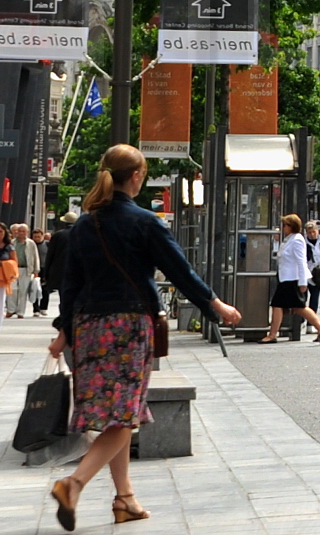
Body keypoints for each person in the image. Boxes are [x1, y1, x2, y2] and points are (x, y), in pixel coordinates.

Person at [47, 145, 241, 531]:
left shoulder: (85, 224)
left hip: (88, 328)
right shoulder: (145, 222)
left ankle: (125, 499)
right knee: (125, 414)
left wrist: (64, 330)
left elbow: (71, 284)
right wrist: (216, 306)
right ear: (136, 176)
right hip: (128, 325)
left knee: (114, 417)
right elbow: (180, 271)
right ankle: (74, 484)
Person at [261, 215, 320, 343]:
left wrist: (303, 282)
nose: (283, 228)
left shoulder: (297, 240)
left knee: (280, 305)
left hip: (292, 279)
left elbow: (301, 262)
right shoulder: (289, 239)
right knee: (297, 307)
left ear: (291, 226)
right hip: (286, 278)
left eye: (285, 225)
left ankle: (272, 335)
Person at [8, 224, 37, 319]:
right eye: (19, 231)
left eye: (23, 231)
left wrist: (36, 270)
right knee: (12, 289)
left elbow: (35, 256)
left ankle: (21, 312)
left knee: (23, 291)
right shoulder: (12, 242)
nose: (21, 233)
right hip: (14, 268)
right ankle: (11, 310)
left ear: (27, 232)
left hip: (26, 269)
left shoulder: (31, 243)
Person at [32, 227, 54, 316]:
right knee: (34, 289)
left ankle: (43, 307)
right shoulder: (32, 245)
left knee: (45, 289)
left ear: (42, 236)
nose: (37, 238)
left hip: (45, 268)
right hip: (34, 268)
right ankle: (36, 309)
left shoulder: (47, 245)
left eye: (38, 236)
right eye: (35, 237)